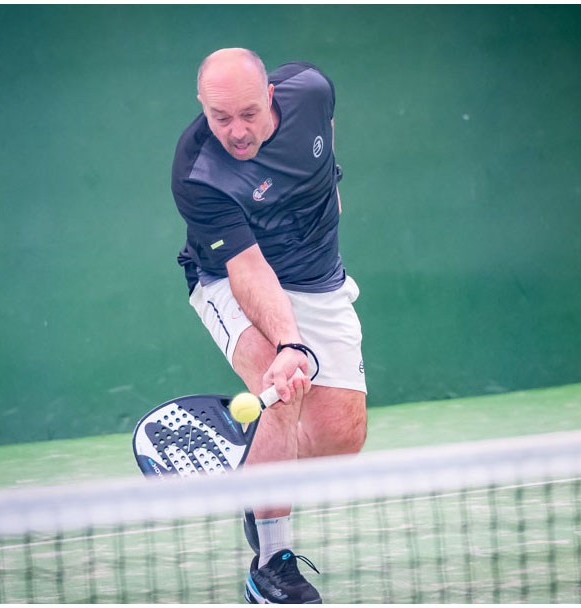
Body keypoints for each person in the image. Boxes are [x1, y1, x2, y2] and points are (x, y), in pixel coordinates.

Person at [171, 48, 367, 604]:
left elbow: (324, 138)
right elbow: (248, 271)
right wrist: (288, 344)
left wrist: (330, 185)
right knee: (280, 388)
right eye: (220, 117)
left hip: (318, 276)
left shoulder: (312, 91)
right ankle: (271, 564)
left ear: (272, 96)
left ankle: (254, 478)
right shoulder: (198, 171)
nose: (236, 131)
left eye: (249, 114)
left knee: (340, 439)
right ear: (202, 106)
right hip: (233, 279)